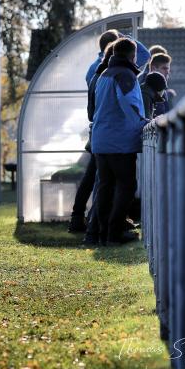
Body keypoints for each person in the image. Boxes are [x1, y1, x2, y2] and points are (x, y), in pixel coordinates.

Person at [91, 38, 149, 244]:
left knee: (106, 187)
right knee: (126, 185)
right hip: (119, 142)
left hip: (101, 140)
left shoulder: (104, 74)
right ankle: (114, 233)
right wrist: (145, 122)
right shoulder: (125, 75)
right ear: (132, 56)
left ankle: (102, 233)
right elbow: (129, 105)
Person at [69, 43, 116, 233]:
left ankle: (81, 218)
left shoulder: (95, 71)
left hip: (97, 133)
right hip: (104, 134)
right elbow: (144, 54)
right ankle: (95, 223)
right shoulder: (105, 75)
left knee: (93, 178)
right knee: (100, 180)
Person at [86, 30, 151, 85]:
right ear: (115, 45)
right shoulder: (121, 64)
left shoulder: (92, 68)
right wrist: (126, 38)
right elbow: (146, 55)